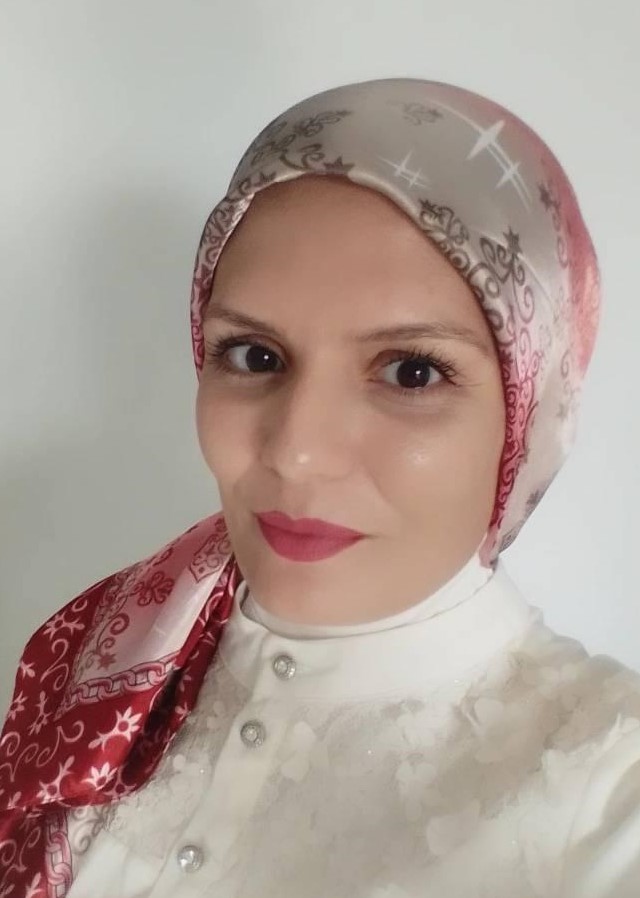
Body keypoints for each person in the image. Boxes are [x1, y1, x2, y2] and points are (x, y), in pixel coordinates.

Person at [1, 76, 639, 898]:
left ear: (531, 416)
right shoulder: (106, 654)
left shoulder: (608, 795)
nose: (297, 454)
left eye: (411, 372)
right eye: (255, 356)